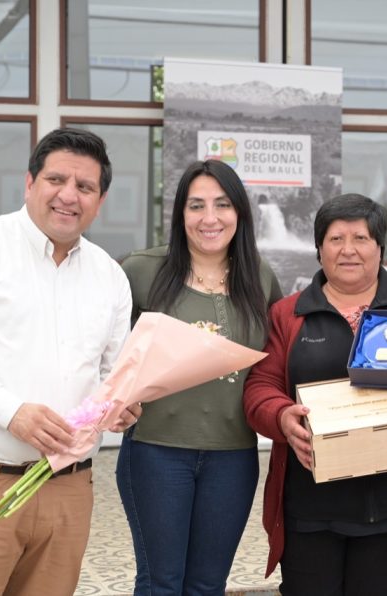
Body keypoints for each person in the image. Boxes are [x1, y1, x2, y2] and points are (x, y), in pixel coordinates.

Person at [0, 128, 140, 596]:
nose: (69, 195)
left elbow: (113, 373)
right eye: (57, 179)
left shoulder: (109, 276)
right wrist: (11, 412)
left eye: (85, 187)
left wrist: (123, 406)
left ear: (101, 199)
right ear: (29, 183)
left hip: (67, 490)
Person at [243, 193, 387, 595]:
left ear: (380, 248)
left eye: (361, 238)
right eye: (336, 239)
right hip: (309, 504)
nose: (348, 250)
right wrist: (282, 416)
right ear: (319, 249)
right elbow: (260, 387)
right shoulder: (287, 314)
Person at [115, 159, 282, 595]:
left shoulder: (259, 278)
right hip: (156, 452)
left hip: (233, 456)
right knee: (161, 583)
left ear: (240, 213)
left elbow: (277, 361)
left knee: (209, 584)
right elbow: (101, 350)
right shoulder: (141, 270)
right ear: (180, 214)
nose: (210, 218)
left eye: (222, 205)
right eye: (196, 206)